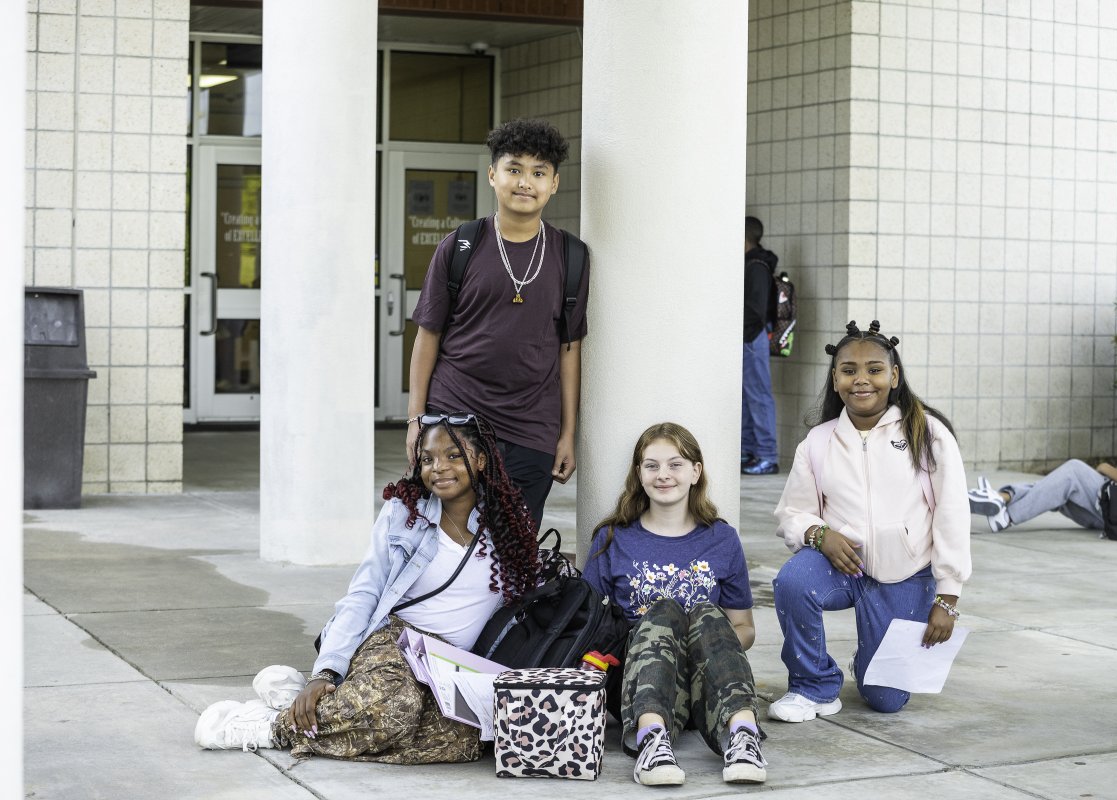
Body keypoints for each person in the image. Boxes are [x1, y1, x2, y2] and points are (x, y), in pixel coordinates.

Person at [194, 413, 540, 763]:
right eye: (428, 459)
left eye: (454, 455)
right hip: (398, 642)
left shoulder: (506, 524)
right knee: (394, 707)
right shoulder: (404, 516)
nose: (439, 467)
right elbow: (364, 594)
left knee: (462, 742)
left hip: (450, 664)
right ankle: (271, 726)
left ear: (481, 461)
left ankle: (320, 703)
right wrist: (326, 670)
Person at [769, 320, 971, 723]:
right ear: (835, 378)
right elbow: (791, 512)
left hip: (906, 574)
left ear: (894, 376)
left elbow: (951, 513)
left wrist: (947, 597)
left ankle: (869, 658)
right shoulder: (819, 441)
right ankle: (814, 686)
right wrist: (818, 533)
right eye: (849, 370)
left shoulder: (926, 433)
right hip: (845, 567)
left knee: (885, 698)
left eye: (874, 369)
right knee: (792, 581)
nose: (862, 380)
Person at [407, 118, 589, 526]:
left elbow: (569, 348)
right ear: (493, 174)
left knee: (513, 551)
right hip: (456, 418)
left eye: (538, 173)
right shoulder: (460, 246)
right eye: (514, 169)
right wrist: (417, 419)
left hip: (532, 428)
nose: (526, 182)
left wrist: (567, 435)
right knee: (446, 544)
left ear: (554, 183)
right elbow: (428, 335)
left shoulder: (572, 256)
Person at [582, 422, 766, 787]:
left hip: (706, 688)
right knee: (664, 610)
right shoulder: (612, 538)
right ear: (639, 474)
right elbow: (588, 625)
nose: (663, 475)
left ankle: (743, 737)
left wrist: (701, 643)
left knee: (707, 613)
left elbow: (744, 628)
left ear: (696, 472)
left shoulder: (722, 539)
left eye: (675, 464)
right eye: (651, 465)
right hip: (637, 685)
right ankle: (651, 742)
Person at [969, 388, 1117, 532]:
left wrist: (1107, 468)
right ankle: (1000, 498)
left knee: (1073, 470)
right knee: (1052, 488)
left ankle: (1007, 515)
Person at [741, 216, 779, 475]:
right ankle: (748, 450)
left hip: (751, 338)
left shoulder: (755, 266)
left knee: (758, 396)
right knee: (745, 397)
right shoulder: (753, 263)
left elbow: (754, 310)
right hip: (748, 338)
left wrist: (743, 333)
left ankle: (767, 455)